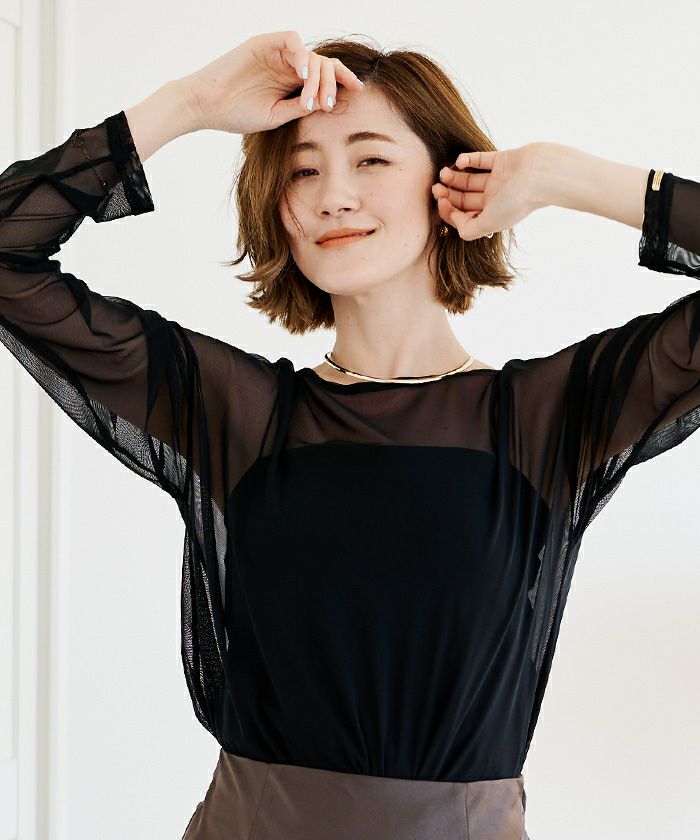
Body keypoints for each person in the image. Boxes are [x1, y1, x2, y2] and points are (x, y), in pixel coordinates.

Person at [1, 29, 698, 840]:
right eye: (303, 170)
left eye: (370, 159)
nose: (333, 196)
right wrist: (189, 103)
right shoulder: (237, 416)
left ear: (450, 180)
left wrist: (558, 173)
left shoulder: (547, 420)